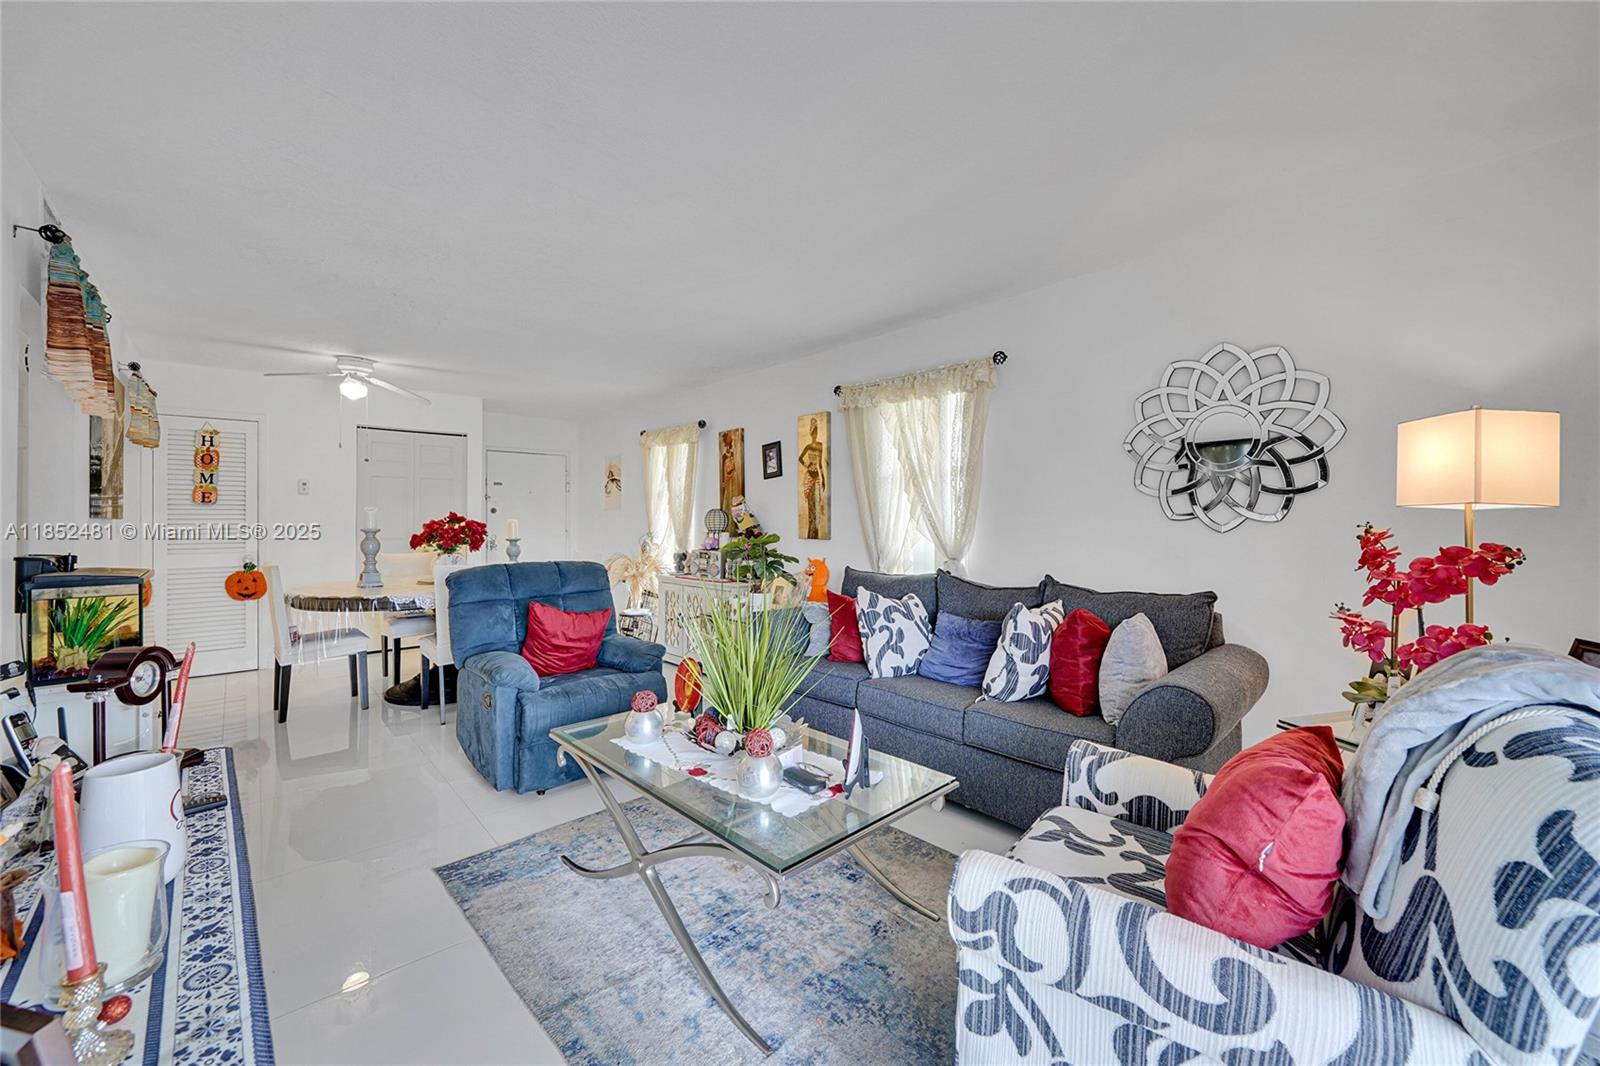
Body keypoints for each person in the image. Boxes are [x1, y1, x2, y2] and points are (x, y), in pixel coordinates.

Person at [798, 418, 827, 538]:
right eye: (813, 431)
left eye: (816, 431)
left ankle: (815, 532)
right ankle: (811, 532)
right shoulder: (808, 446)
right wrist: (807, 465)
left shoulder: (820, 445)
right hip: (809, 475)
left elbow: (820, 464)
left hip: (817, 477)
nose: (815, 434)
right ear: (811, 433)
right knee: (811, 505)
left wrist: (823, 478)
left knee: (817, 504)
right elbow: (800, 458)